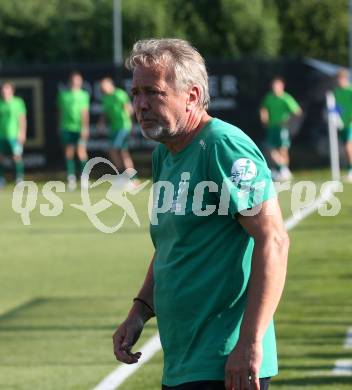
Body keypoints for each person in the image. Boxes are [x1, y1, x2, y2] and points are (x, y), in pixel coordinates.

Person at [112, 38, 289, 390]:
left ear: (191, 95)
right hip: (184, 362)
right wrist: (140, 310)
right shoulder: (166, 152)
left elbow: (274, 240)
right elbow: (172, 244)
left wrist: (250, 342)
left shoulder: (222, 146)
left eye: (153, 93)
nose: (141, 105)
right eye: (135, 94)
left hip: (225, 362)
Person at [260, 77, 301, 181]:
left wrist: (287, 120)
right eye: (273, 86)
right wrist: (264, 118)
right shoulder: (269, 97)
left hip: (282, 128)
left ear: (282, 87)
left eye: (277, 86)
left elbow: (297, 111)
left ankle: (284, 170)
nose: (275, 88)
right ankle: (282, 169)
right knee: (270, 149)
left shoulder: (286, 98)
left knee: (283, 149)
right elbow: (263, 108)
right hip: (271, 128)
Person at [57, 72, 90, 191]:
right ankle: (71, 178)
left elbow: (85, 113)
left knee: (81, 151)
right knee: (69, 152)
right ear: (70, 81)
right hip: (66, 128)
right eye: (75, 80)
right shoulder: (63, 95)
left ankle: (84, 178)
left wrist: (85, 128)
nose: (77, 82)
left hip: (79, 128)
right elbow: (60, 112)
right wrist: (60, 126)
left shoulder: (83, 95)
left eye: (79, 80)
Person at [99, 77, 135, 173]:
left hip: (123, 127)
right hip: (114, 128)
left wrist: (131, 126)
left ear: (110, 85)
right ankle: (131, 177)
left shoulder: (119, 94)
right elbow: (105, 113)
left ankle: (122, 174)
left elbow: (129, 110)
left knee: (113, 150)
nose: (102, 88)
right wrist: (101, 123)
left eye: (103, 86)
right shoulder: (105, 98)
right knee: (123, 153)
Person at [0, 82, 27, 187]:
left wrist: (22, 133)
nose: (4, 91)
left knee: (17, 156)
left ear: (12, 90)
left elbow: (22, 119)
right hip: (1, 136)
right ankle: (1, 179)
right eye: (3, 89)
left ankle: (19, 179)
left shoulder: (18, 102)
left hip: (14, 135)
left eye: (7, 89)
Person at [333, 69, 352, 182]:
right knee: (346, 148)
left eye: (341, 79)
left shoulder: (350, 90)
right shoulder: (336, 92)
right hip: (342, 125)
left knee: (348, 146)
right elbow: (337, 107)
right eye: (337, 79)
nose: (339, 81)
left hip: (350, 124)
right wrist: (335, 116)